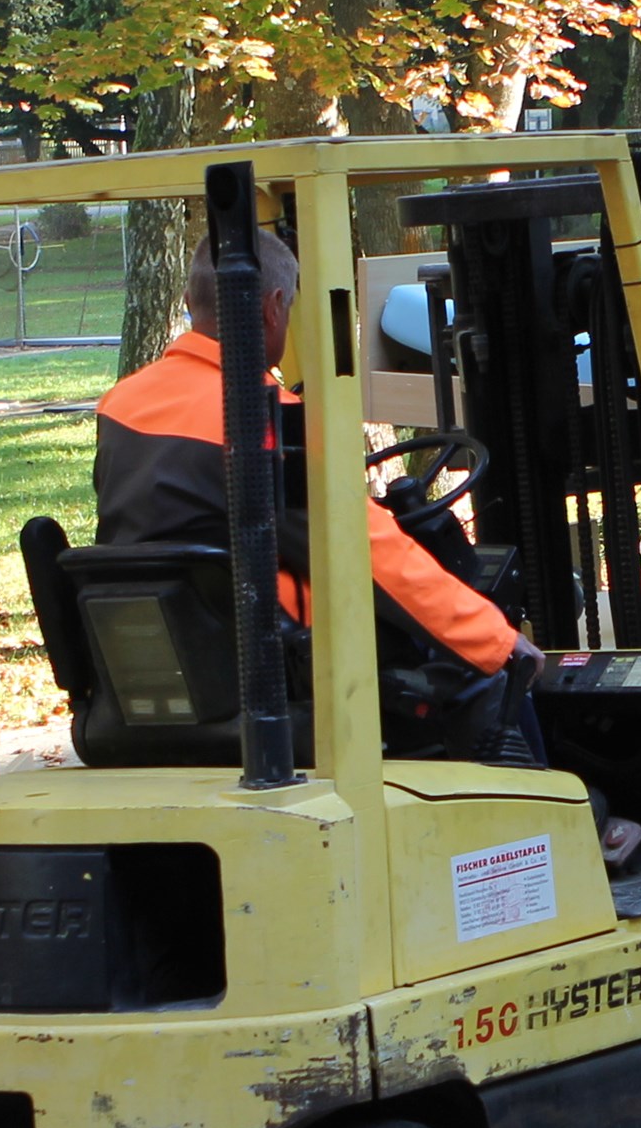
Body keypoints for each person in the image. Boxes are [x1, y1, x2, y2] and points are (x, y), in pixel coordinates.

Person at [94, 228, 546, 767]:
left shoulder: (120, 405)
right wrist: (493, 638)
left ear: (191, 301)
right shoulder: (267, 418)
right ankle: (576, 825)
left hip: (166, 666)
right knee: (485, 674)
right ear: (274, 305)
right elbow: (362, 549)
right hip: (276, 671)